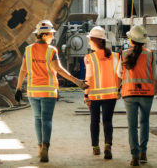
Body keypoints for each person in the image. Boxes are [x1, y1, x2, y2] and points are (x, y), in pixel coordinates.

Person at [14, 20, 88, 162]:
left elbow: (23, 70)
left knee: (37, 118)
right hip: (48, 91)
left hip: (33, 91)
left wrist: (18, 88)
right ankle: (45, 147)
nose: (53, 36)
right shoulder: (51, 51)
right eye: (51, 34)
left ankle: (39, 147)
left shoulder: (28, 49)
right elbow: (59, 69)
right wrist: (77, 82)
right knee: (46, 119)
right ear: (44, 34)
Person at [119, 25, 157, 166]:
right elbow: (155, 74)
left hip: (129, 93)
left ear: (131, 40)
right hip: (147, 93)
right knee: (144, 123)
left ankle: (134, 156)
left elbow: (119, 73)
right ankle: (143, 153)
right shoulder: (150, 54)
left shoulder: (123, 54)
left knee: (132, 126)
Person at [83, 26, 120, 160]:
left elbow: (89, 77)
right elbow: (120, 75)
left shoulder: (89, 58)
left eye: (90, 40)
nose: (88, 43)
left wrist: (86, 95)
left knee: (94, 121)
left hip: (94, 95)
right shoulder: (115, 56)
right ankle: (107, 146)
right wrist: (118, 89)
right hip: (111, 95)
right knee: (107, 121)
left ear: (94, 41)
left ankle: (96, 147)